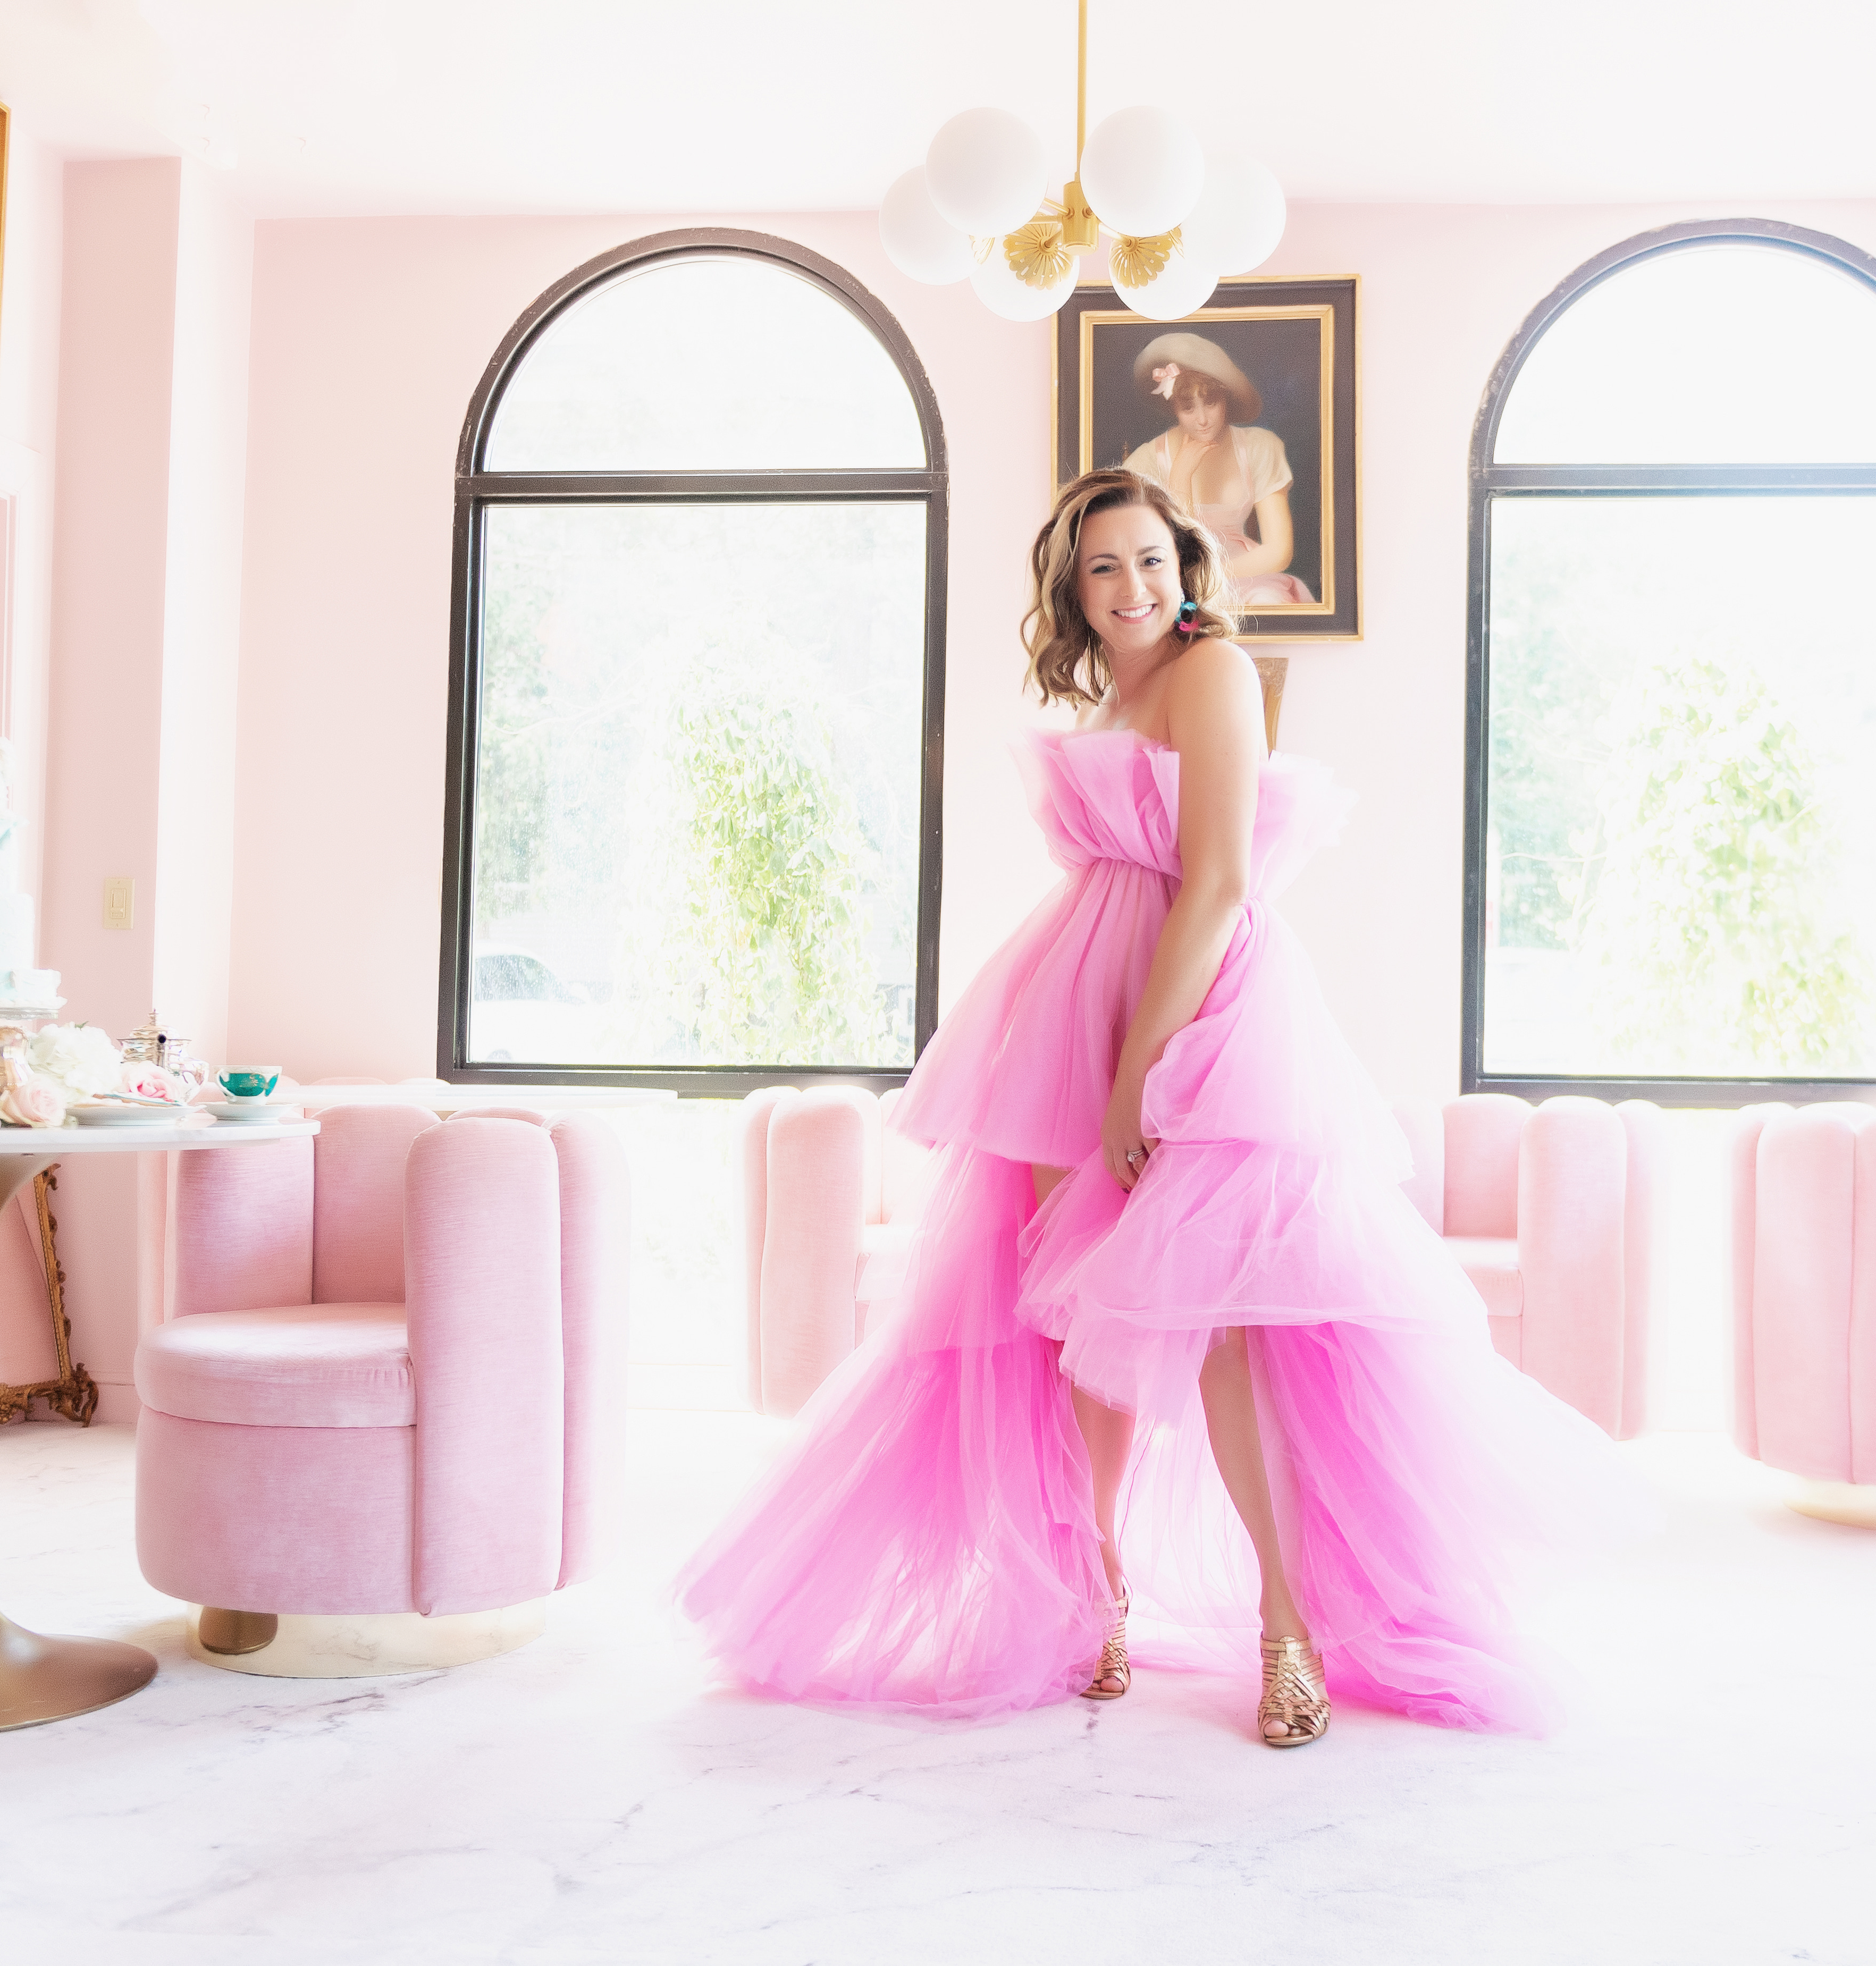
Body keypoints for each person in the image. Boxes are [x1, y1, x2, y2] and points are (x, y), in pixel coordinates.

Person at [676, 469, 1642, 1748]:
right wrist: (1097, 1051)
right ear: (1070, 590)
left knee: (1226, 1322)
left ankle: (1284, 1626)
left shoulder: (1212, 671)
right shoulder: (1115, 686)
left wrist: (1145, 1064)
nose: (1132, 587)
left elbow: (1222, 878)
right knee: (1077, 1320)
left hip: (1197, 1014)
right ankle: (1094, 1592)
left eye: (1149, 560)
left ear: (1186, 565)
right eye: (1101, 569)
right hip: (1072, 1004)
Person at [1121, 334, 1316, 609]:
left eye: (1211, 403)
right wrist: (1180, 477)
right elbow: (1165, 548)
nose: (1202, 420)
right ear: (1172, 407)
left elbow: (1279, 551)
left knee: (1269, 603)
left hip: (1246, 571)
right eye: (1188, 407)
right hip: (1178, 579)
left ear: (1226, 398)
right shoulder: (1146, 461)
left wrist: (1215, 574)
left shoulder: (1259, 446)